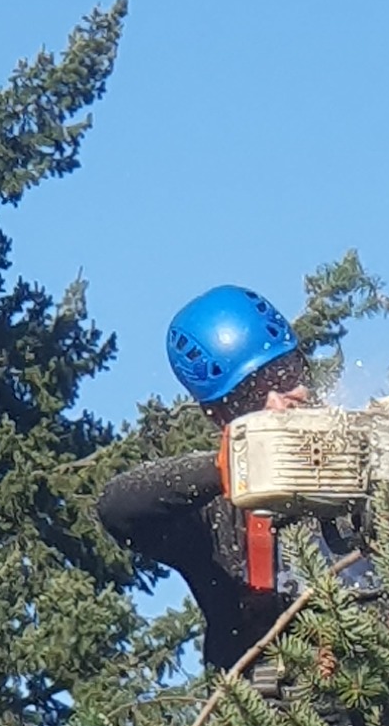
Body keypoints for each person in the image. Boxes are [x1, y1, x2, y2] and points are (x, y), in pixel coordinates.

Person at [97, 285, 315, 673]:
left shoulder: (372, 460)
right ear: (218, 416)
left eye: (284, 376)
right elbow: (117, 508)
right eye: (250, 398)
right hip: (272, 704)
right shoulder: (214, 518)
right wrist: (225, 468)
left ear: (303, 366)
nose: (277, 406)